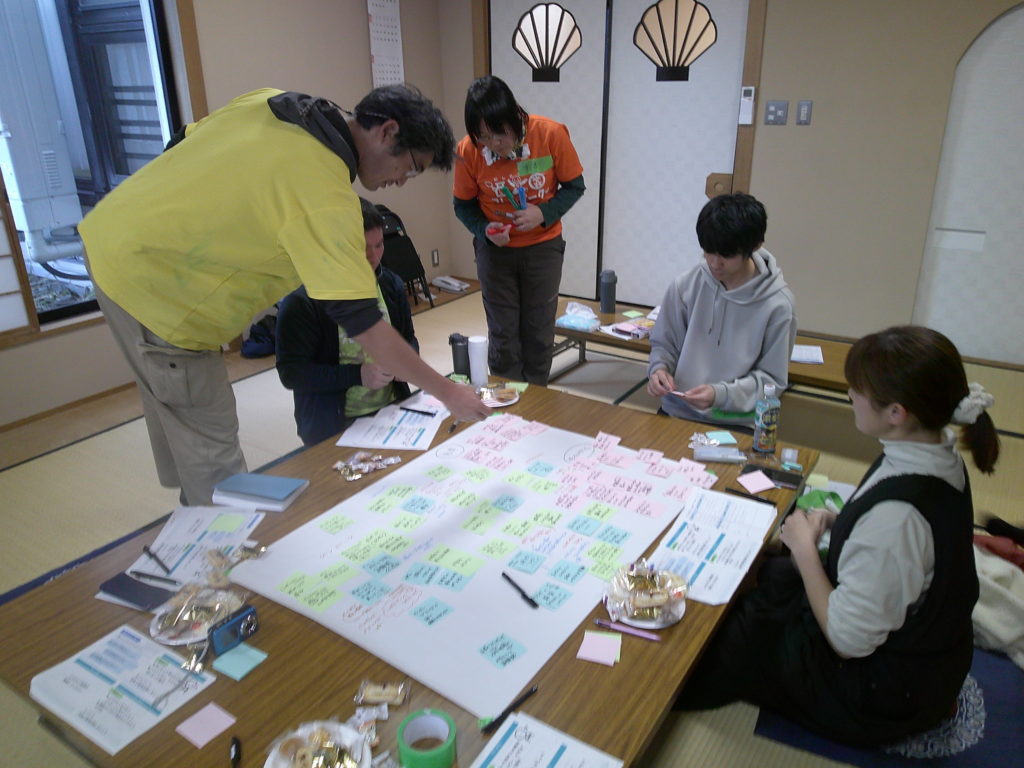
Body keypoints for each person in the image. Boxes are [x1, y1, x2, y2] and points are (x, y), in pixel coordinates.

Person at [80, 86, 490, 505]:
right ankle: (213, 536)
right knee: (214, 457)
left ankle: (195, 504)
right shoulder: (325, 195)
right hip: (158, 291)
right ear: (387, 131)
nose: (401, 181)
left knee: (186, 430)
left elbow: (181, 142)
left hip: (114, 237)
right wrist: (448, 392)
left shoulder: (275, 103)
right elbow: (363, 323)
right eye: (411, 167)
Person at [676, 325, 1000, 747]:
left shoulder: (897, 520)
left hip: (882, 692)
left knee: (738, 639)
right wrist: (839, 521)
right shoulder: (935, 451)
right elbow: (892, 532)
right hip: (927, 656)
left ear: (896, 412)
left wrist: (805, 550)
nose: (850, 395)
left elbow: (849, 641)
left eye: (858, 390)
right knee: (773, 577)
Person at [452, 75, 585, 385]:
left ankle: (536, 396)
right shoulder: (468, 150)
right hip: (495, 252)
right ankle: (507, 400)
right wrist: (485, 229)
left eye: (499, 134)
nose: (494, 145)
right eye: (484, 137)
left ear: (514, 117)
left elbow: (575, 186)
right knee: (503, 332)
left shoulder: (550, 134)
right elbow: (462, 206)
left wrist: (543, 213)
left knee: (539, 330)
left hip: (543, 247)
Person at [646, 193, 796, 428]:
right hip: (678, 411)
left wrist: (720, 395)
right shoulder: (685, 286)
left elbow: (772, 381)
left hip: (735, 421)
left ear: (755, 246)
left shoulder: (778, 304)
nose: (715, 263)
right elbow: (664, 345)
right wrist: (659, 369)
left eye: (727, 255)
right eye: (709, 251)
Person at [276, 199, 418, 446]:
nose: (373, 257)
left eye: (379, 245)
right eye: (362, 248)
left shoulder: (390, 285)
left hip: (391, 410)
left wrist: (404, 364)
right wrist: (357, 375)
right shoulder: (303, 302)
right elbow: (292, 374)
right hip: (333, 424)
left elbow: (409, 340)